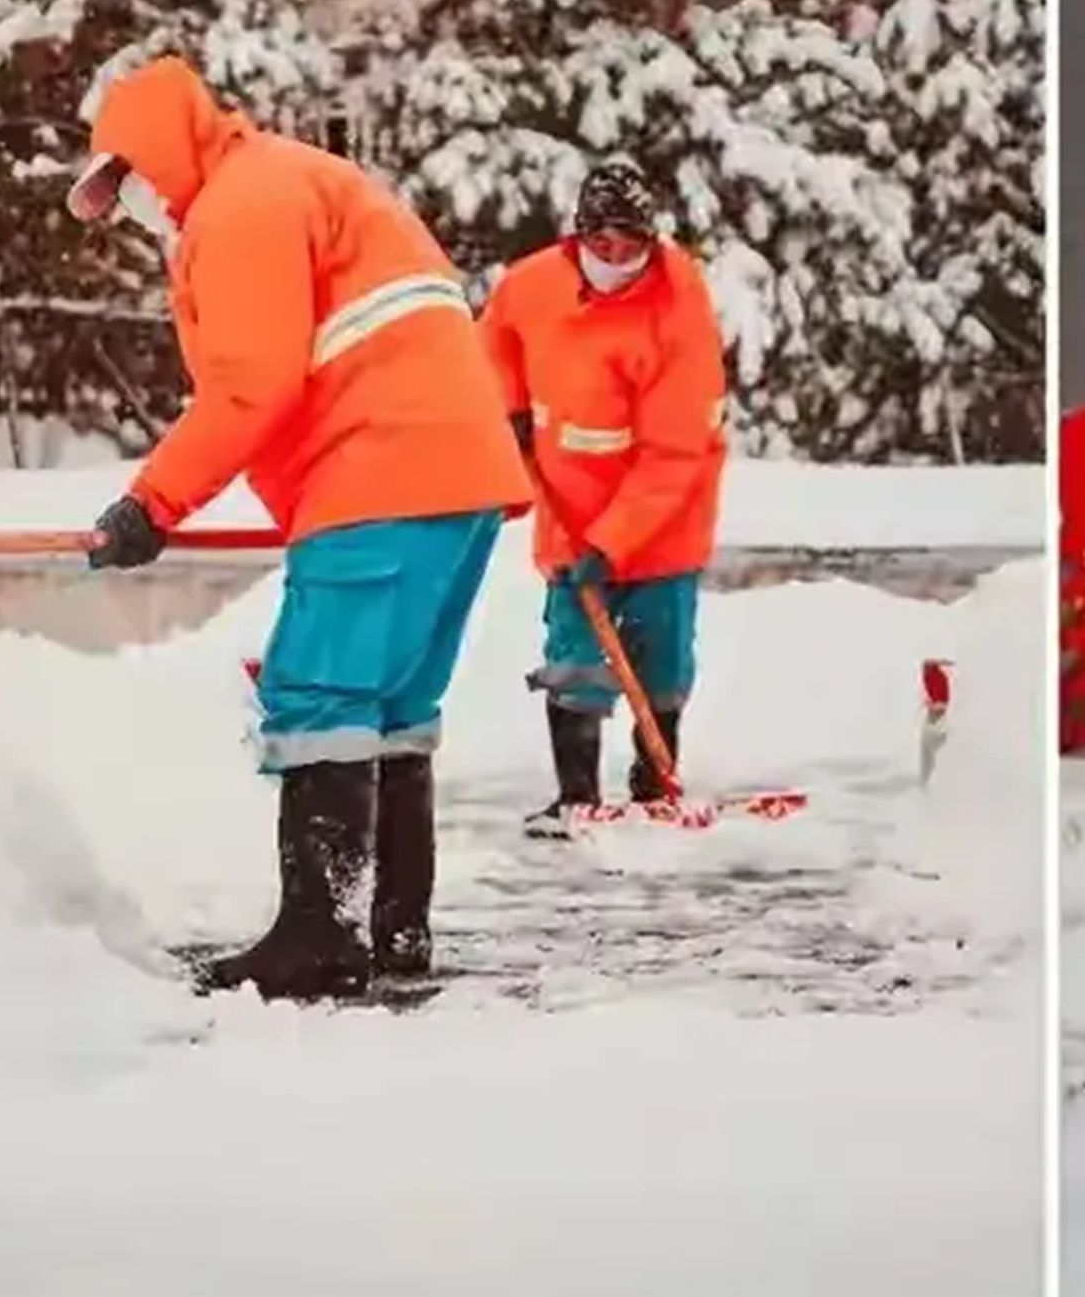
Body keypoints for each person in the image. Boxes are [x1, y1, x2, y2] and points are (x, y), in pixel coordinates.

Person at [67, 57, 529, 1000]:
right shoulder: (290, 178)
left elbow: (251, 384)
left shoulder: (241, 206)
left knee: (317, 690)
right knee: (389, 705)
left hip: (381, 469)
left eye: (130, 180)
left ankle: (320, 939)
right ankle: (393, 926)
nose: (139, 208)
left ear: (156, 154)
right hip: (452, 472)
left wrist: (152, 503)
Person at [477, 158, 730, 831]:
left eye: (629, 245)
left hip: (665, 520)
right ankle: (576, 794)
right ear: (576, 237)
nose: (613, 258)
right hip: (568, 508)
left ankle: (654, 784)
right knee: (573, 658)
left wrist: (612, 541)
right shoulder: (532, 286)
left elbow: (675, 452)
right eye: (599, 243)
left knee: (661, 658)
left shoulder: (678, 311)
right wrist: (509, 412)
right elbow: (492, 345)